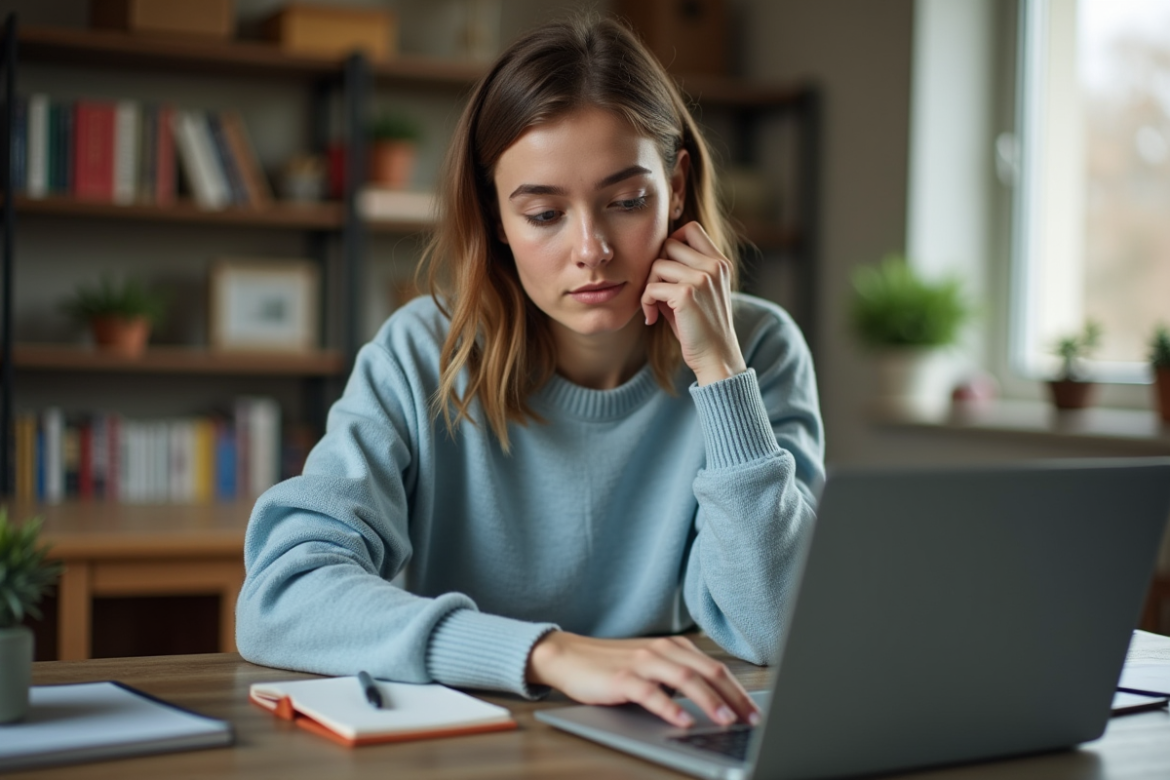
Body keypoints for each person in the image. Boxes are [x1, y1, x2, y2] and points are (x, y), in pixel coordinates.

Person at [236, 14, 824, 731]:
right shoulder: (421, 353)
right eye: (545, 213)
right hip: (472, 740)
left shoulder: (758, 347)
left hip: (669, 735)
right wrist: (547, 654)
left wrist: (723, 377)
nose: (592, 249)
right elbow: (281, 598)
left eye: (627, 201)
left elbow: (777, 625)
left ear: (675, 187)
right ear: (496, 218)